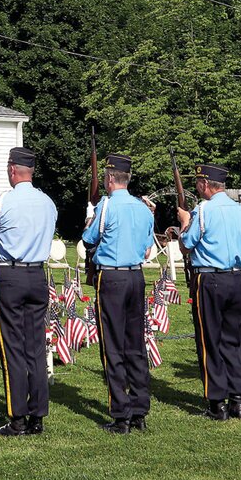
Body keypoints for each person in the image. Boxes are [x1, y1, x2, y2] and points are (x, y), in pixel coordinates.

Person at [0, 145, 57, 438]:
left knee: (13, 347)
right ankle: (38, 415)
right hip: (37, 274)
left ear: (12, 170)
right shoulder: (48, 202)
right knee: (35, 347)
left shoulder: (1, 202)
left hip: (10, 275)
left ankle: (18, 418)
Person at [81, 153, 156, 434]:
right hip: (136, 275)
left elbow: (89, 240)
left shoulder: (107, 206)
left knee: (112, 345)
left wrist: (89, 220)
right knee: (135, 344)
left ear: (110, 179)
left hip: (111, 277)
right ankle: (139, 409)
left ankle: (121, 413)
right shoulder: (141, 208)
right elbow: (148, 245)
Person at [179, 163, 241, 421]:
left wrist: (185, 224)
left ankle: (216, 402)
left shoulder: (203, 209)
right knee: (233, 340)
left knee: (210, 340)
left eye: (198, 182)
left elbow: (187, 245)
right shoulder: (239, 210)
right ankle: (237, 399)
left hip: (209, 279)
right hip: (235, 277)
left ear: (205, 184)